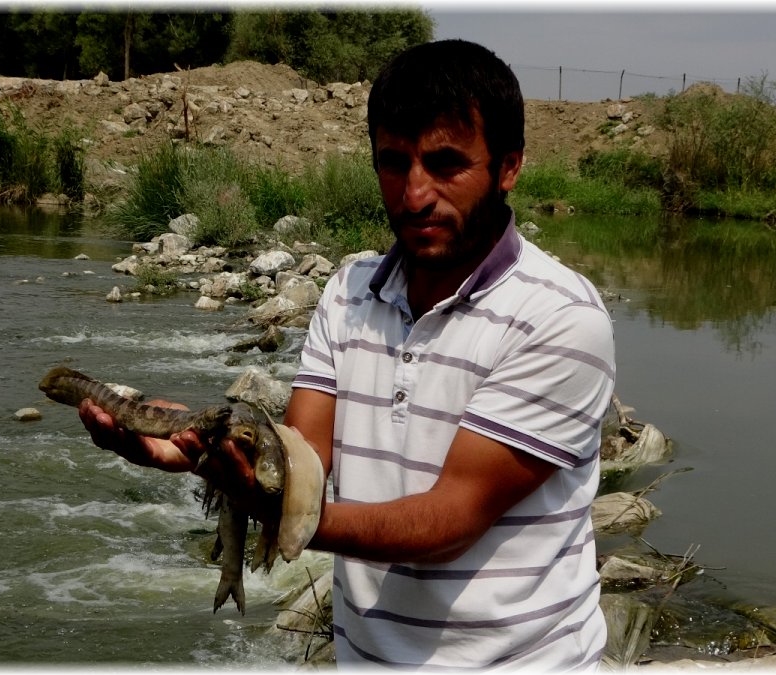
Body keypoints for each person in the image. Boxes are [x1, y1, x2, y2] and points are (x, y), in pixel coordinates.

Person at [79, 39, 616, 670]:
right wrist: (192, 448)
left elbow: (451, 520)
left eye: (446, 164)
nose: (415, 194)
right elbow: (302, 454)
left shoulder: (559, 317)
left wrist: (278, 514)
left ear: (508, 167)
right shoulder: (351, 289)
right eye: (394, 163)